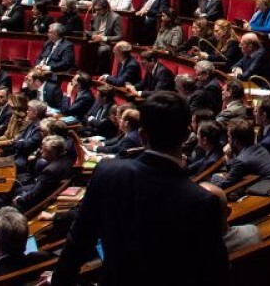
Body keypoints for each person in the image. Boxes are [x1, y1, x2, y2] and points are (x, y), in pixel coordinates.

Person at [50, 92, 230, 285]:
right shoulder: (203, 201)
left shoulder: (106, 173)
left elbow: (78, 242)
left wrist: (58, 280)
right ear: (187, 135)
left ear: (142, 135)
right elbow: (214, 274)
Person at [212, 117, 270, 189]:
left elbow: (223, 185)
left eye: (229, 137)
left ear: (235, 141)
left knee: (214, 178)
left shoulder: (242, 160)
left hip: (264, 194)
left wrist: (228, 158)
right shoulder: (260, 148)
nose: (228, 140)